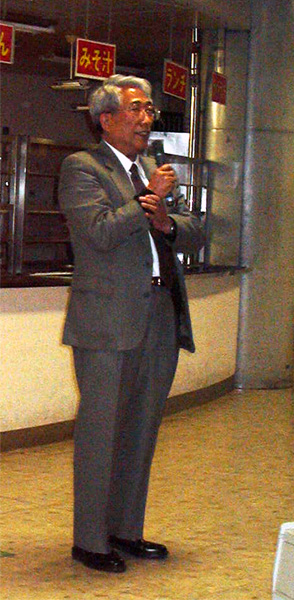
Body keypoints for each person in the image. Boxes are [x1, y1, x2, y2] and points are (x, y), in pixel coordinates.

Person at [58, 74, 204, 573]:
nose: (147, 119)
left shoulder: (148, 168)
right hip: (107, 322)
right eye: (137, 109)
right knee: (101, 432)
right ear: (106, 119)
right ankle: (89, 540)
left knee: (142, 430)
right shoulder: (83, 168)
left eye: (149, 110)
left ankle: (125, 529)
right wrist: (147, 199)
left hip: (159, 314)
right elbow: (98, 233)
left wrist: (167, 221)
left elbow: (192, 231)